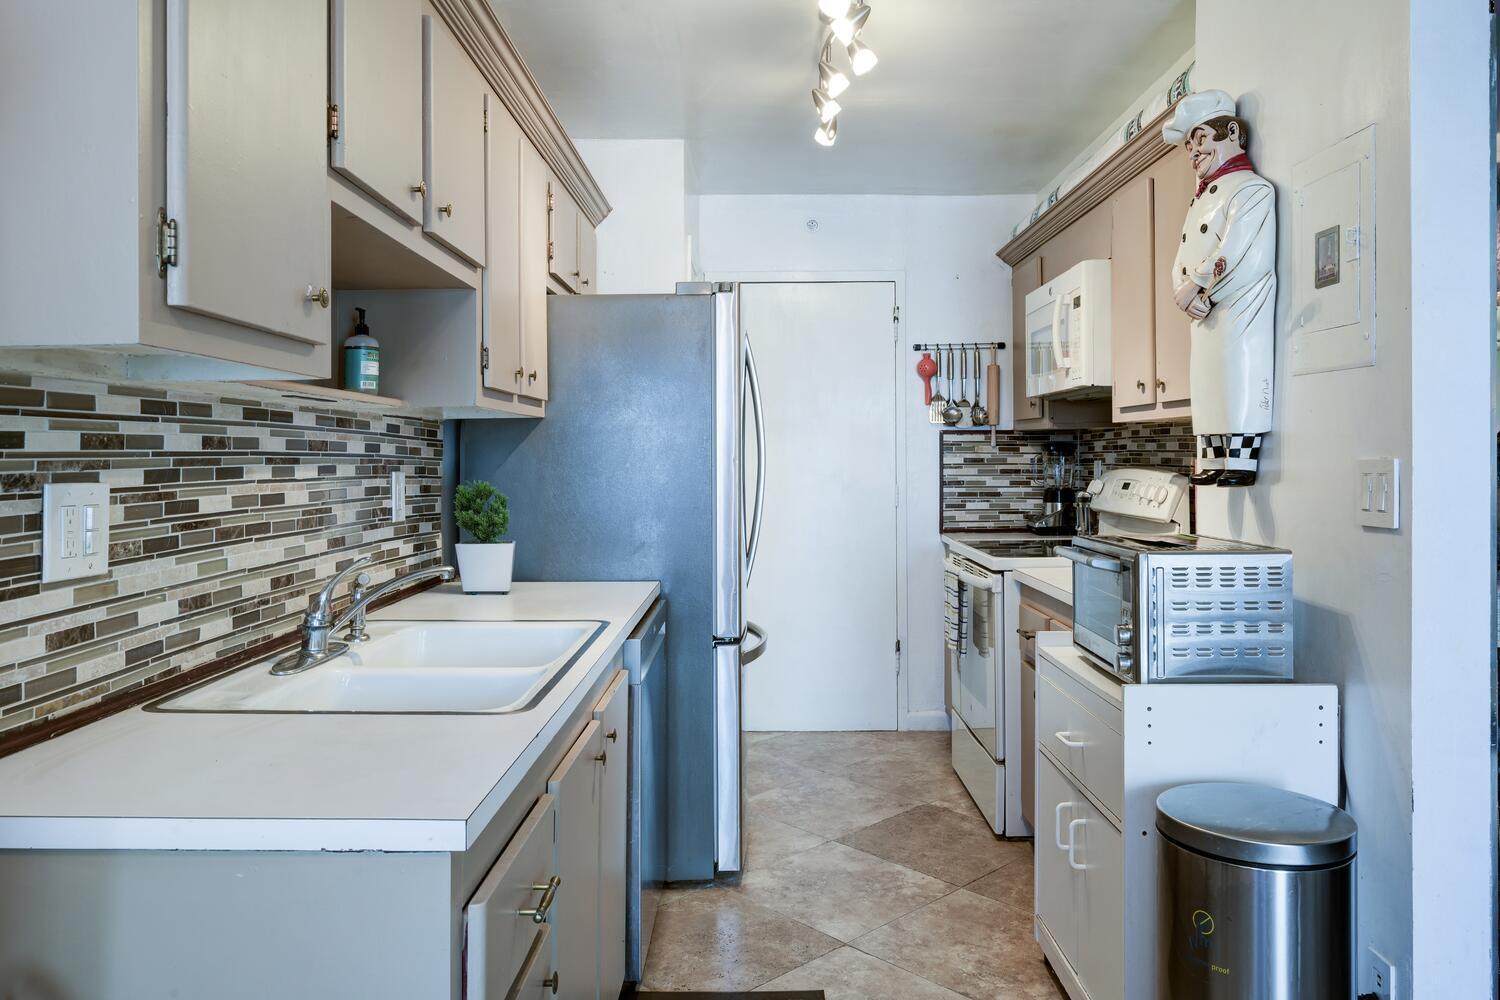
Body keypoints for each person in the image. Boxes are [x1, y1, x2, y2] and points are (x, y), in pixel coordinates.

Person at [1163, 90, 1276, 487]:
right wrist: (1183, 288)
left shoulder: (1251, 190)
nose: (1195, 154)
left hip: (1235, 308)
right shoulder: (1198, 203)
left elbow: (1241, 251)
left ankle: (1241, 460)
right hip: (1204, 312)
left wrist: (1198, 289)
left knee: (1237, 377)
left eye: (1201, 143)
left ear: (1231, 132)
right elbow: (1182, 253)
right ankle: (1211, 457)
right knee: (1208, 385)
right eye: (1191, 148)